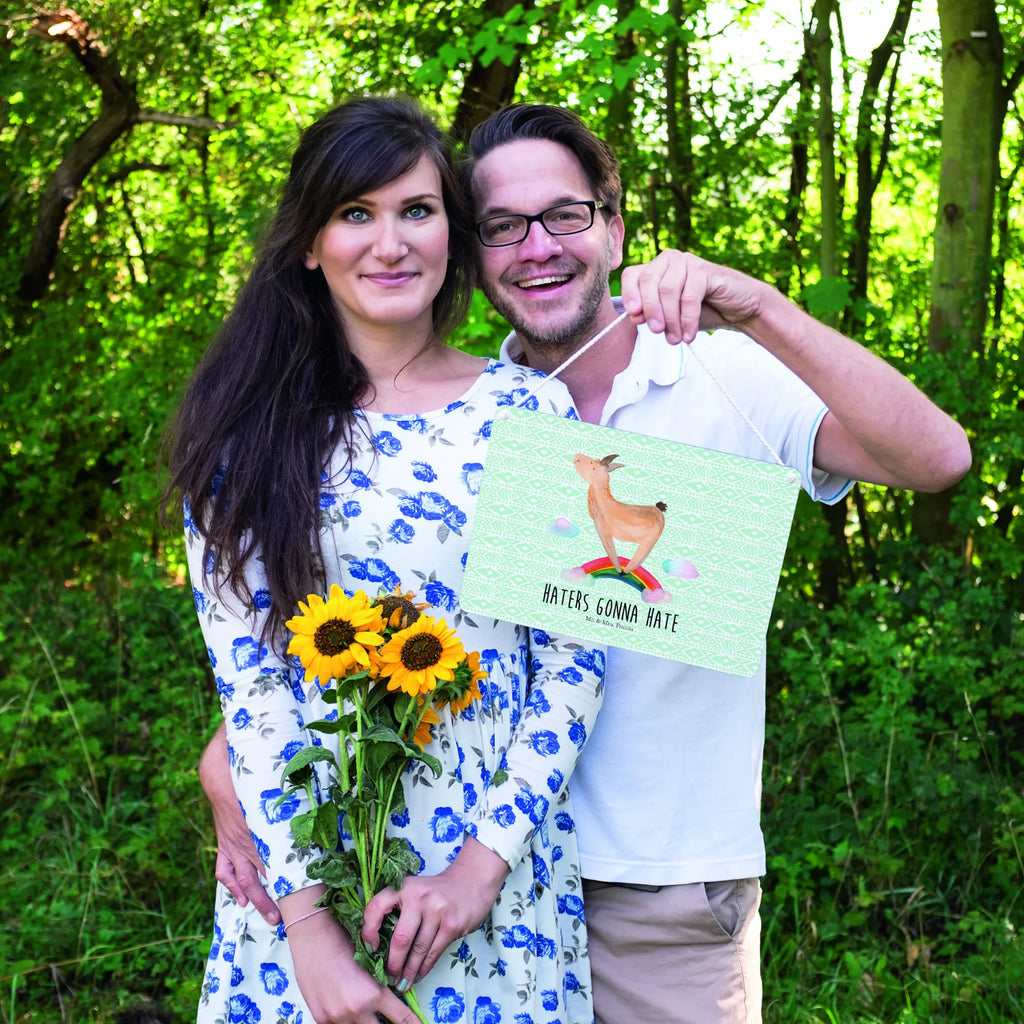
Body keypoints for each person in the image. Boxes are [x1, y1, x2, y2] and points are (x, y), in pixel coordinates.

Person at [202, 102, 972, 1024]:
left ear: (612, 226)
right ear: (474, 250)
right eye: (502, 226)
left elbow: (938, 461)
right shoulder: (455, 417)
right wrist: (235, 767)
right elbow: (340, 633)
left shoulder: (707, 374)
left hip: (655, 887)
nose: (537, 247)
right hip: (440, 877)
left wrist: (759, 306)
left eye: (565, 215)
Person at [165, 96, 607, 1024]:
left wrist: (478, 873)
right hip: (303, 888)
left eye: (417, 210)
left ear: (452, 229)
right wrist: (311, 936)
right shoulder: (245, 436)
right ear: (308, 243)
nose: (390, 242)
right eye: (355, 214)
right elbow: (252, 690)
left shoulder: (529, 414)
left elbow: (574, 661)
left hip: (492, 888)